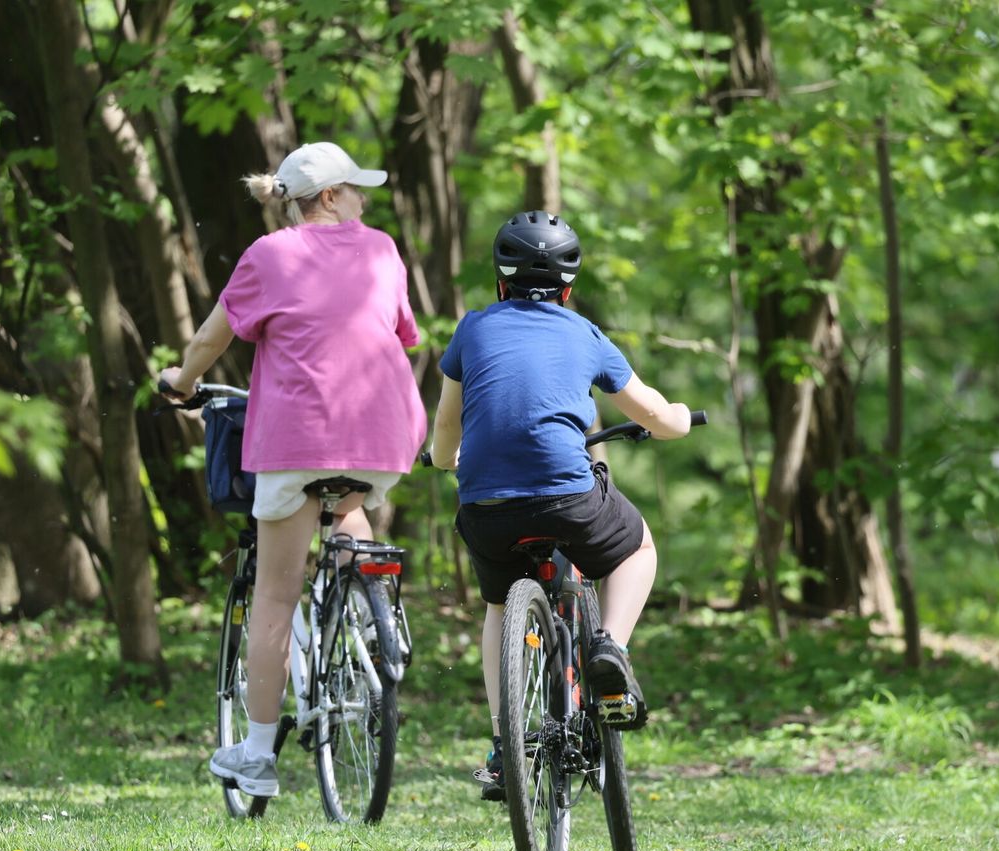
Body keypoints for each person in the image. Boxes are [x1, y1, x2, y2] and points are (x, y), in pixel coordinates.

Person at [157, 142, 426, 798]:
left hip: (296, 441)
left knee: (275, 595)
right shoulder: (383, 250)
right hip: (386, 434)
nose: (363, 200)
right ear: (330, 196)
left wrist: (180, 381)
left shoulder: (268, 255)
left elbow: (208, 342)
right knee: (345, 503)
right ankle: (370, 611)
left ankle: (254, 756)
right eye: (355, 189)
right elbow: (401, 333)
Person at [428, 210, 691, 801]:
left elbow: (446, 431)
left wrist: (446, 459)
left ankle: (505, 746)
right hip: (568, 496)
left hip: (487, 506)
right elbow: (653, 414)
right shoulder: (584, 333)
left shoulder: (472, 330)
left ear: (501, 281)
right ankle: (610, 650)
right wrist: (678, 420)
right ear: (568, 289)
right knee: (638, 548)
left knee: (499, 606)